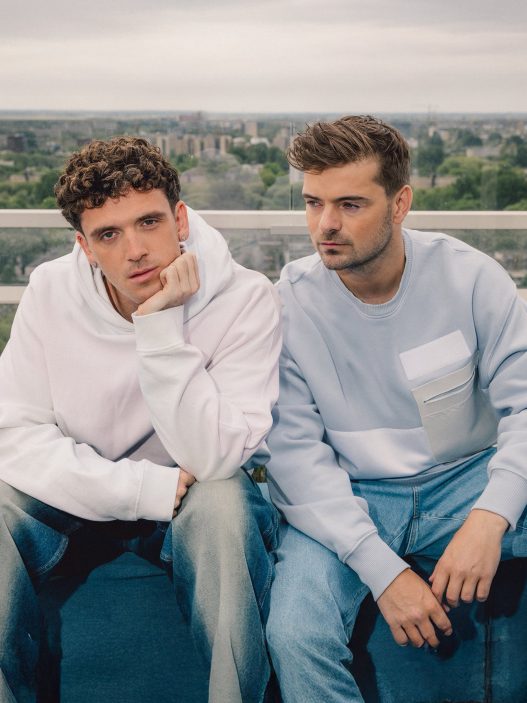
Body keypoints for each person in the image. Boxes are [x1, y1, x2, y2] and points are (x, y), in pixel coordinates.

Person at [0, 136, 281, 703]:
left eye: (149, 222)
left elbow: (215, 457)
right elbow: (13, 433)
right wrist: (139, 489)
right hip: (82, 494)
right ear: (84, 247)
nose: (136, 250)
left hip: (193, 499)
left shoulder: (246, 299)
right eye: (109, 234)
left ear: (180, 219)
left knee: (226, 505)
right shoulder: (51, 291)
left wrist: (159, 328)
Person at [265, 115, 527, 702]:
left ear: (400, 203)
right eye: (313, 203)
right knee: (295, 635)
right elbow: (296, 461)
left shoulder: (470, 277)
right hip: (351, 495)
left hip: (466, 480)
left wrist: (491, 516)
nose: (326, 225)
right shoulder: (286, 306)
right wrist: (384, 572)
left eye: (350, 204)